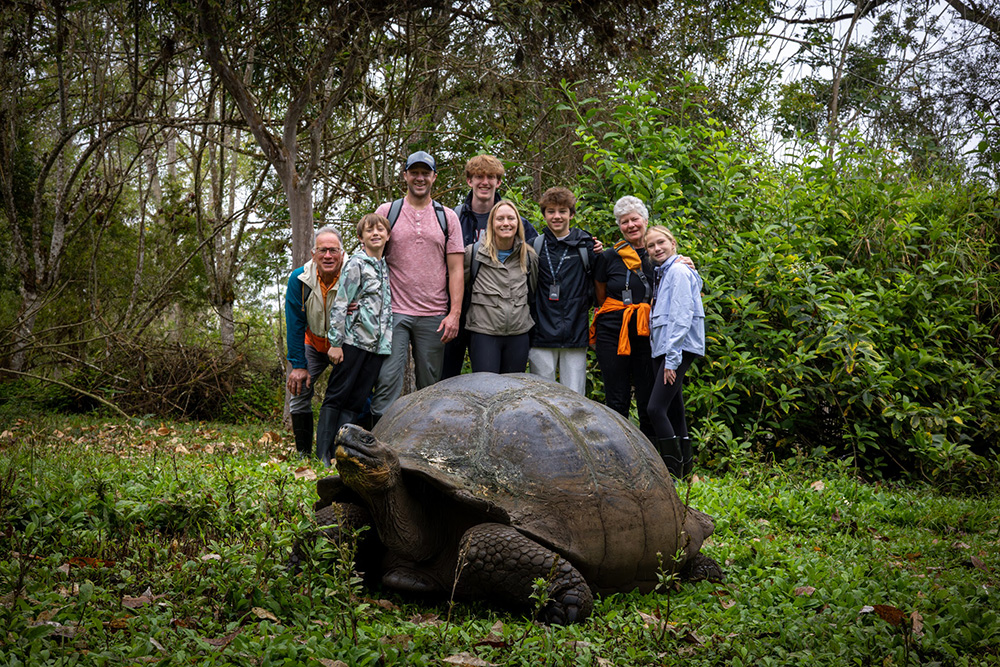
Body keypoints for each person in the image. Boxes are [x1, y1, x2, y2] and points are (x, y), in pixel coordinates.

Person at [591, 196, 696, 442]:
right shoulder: (609, 256)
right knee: (616, 397)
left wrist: (687, 262)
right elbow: (600, 293)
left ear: (645, 220)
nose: (630, 225)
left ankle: (652, 457)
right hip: (613, 331)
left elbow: (678, 283)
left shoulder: (656, 254)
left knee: (648, 397)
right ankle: (618, 455)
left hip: (647, 333)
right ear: (619, 226)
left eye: (634, 219)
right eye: (624, 221)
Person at [370, 151, 464, 424]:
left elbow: (456, 270)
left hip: (434, 314)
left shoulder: (448, 218)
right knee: (387, 381)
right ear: (405, 176)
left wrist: (454, 313)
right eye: (415, 172)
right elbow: (371, 259)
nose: (420, 178)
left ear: (434, 177)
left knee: (431, 386)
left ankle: (425, 448)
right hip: (394, 312)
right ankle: (377, 446)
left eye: (426, 173)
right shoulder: (388, 212)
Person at [443, 154, 539, 379]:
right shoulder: (454, 218)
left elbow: (538, 257)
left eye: (491, 177)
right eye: (479, 176)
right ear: (469, 181)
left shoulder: (516, 221)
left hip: (498, 315)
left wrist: (586, 245)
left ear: (499, 182)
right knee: (447, 379)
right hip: (457, 310)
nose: (485, 182)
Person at [318, 214, 393, 465]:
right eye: (369, 231)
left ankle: (342, 452)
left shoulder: (385, 267)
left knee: (357, 400)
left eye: (380, 229)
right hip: (351, 341)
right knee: (337, 395)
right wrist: (336, 343)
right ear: (361, 238)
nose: (375, 233)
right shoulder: (356, 264)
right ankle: (322, 454)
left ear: (388, 235)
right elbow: (340, 303)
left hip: (375, 346)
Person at [645, 225, 705, 477]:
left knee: (655, 409)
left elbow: (681, 316)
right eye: (651, 245)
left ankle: (671, 472)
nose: (657, 248)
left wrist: (672, 359)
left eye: (661, 242)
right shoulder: (664, 273)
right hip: (665, 348)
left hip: (676, 349)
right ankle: (685, 473)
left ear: (673, 243)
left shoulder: (678, 271)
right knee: (675, 409)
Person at [528, 187, 598, 394]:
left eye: (562, 211)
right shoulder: (534, 246)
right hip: (541, 331)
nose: (556, 216)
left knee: (575, 395)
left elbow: (601, 280)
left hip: (575, 330)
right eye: (551, 211)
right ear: (544, 215)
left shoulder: (587, 245)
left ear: (572, 214)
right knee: (541, 395)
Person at [284, 226, 344, 459]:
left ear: (341, 252)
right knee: (298, 393)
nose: (327, 256)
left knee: (353, 395)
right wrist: (298, 365)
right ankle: (303, 455)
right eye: (322, 250)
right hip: (314, 342)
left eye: (333, 250)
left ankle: (345, 454)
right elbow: (295, 323)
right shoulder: (299, 279)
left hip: (344, 347)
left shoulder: (354, 273)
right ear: (313, 254)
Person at [464, 200, 539, 374]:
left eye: (511, 218)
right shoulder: (473, 254)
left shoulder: (529, 257)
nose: (506, 223)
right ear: (492, 223)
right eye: (500, 219)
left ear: (518, 223)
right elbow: (462, 288)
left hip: (518, 334)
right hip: (484, 334)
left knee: (513, 393)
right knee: (485, 390)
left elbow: (533, 290)